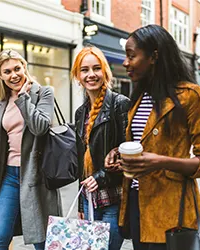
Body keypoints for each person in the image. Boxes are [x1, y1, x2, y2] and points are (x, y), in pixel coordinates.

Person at [105, 24, 200, 250]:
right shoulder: (139, 96)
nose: (125, 62)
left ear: (154, 57)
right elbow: (141, 143)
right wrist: (118, 154)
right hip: (136, 202)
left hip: (171, 210)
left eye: (131, 56)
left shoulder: (190, 96)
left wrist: (160, 161)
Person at [0, 49, 62, 250]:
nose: (13, 75)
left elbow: (40, 127)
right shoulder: (1, 102)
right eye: (7, 71)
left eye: (17, 68)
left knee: (41, 239)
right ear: (0, 76)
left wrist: (23, 97)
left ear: (25, 68)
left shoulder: (44, 92)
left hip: (36, 175)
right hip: (9, 176)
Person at [71, 46, 130, 250]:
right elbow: (82, 161)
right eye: (84, 70)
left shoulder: (120, 104)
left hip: (115, 198)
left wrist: (100, 177)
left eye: (96, 68)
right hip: (90, 199)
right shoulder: (80, 113)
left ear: (105, 71)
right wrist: (81, 204)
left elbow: (127, 154)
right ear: (78, 76)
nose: (91, 75)